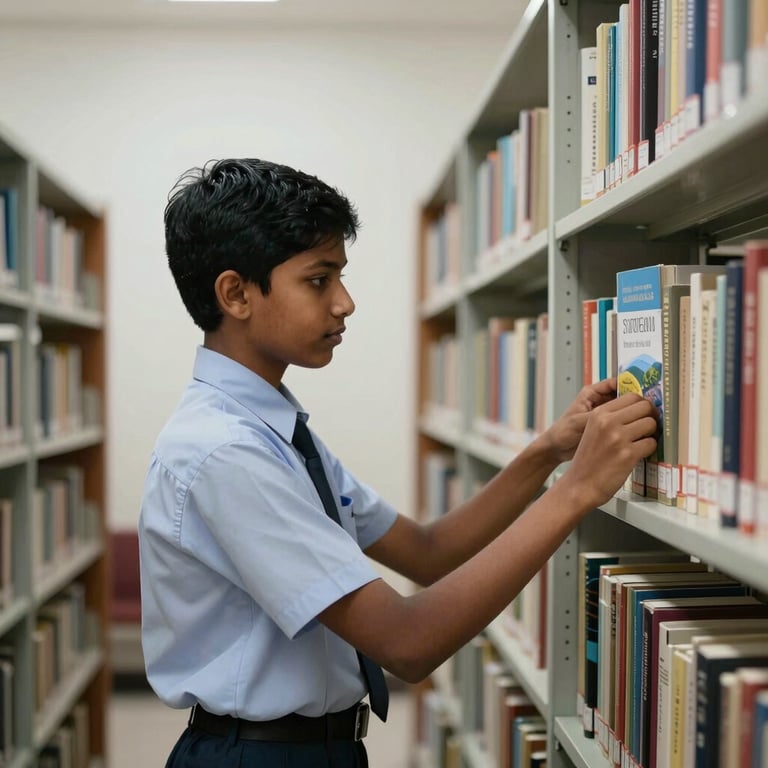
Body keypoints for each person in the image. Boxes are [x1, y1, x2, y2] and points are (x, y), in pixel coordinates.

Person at [138, 157, 658, 768]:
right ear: (236, 293)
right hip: (257, 756)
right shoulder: (227, 452)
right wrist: (576, 491)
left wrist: (548, 452)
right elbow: (408, 643)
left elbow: (427, 551)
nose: (346, 303)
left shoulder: (272, 429)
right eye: (318, 279)